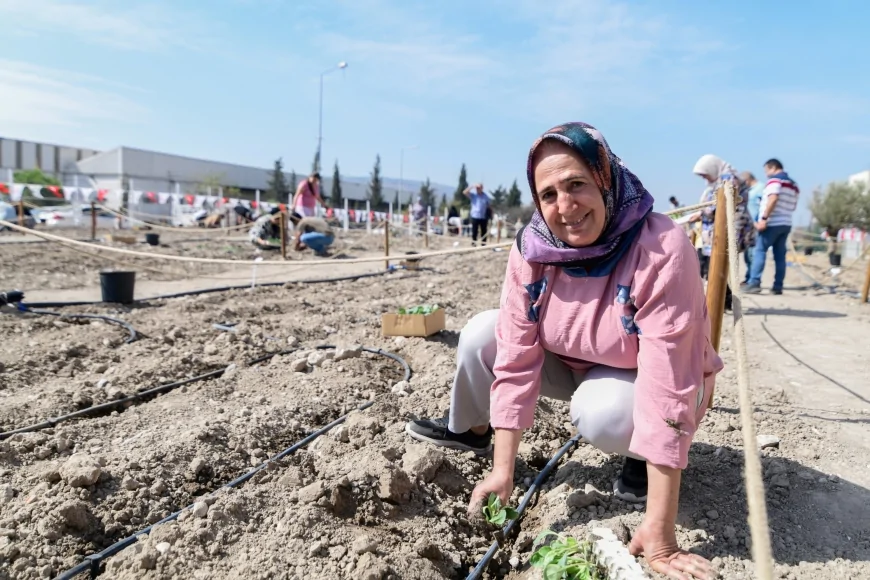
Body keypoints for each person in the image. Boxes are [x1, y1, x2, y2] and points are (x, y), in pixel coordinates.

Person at [406, 122, 722, 580]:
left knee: (604, 412)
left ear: (605, 179)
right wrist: (504, 470)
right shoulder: (534, 249)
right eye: (549, 194)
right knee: (481, 333)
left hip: (648, 377)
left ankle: (641, 463)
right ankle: (474, 431)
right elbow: (514, 356)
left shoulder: (660, 248)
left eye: (577, 185)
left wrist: (662, 534)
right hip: (574, 361)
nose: (565, 207)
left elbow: (668, 383)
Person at [688, 154, 756, 310]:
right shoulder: (723, 177)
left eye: (705, 174)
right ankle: (723, 301)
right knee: (718, 264)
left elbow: (722, 204)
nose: (705, 178)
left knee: (719, 263)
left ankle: (721, 302)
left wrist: (701, 213)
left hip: (730, 227)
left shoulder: (728, 178)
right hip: (723, 227)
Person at [745, 159, 799, 295]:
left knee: (760, 251)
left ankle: (754, 282)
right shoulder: (794, 184)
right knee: (780, 256)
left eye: (766, 171)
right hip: (786, 222)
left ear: (773, 167)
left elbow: (773, 198)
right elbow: (794, 205)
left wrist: (764, 218)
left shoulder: (775, 181)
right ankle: (778, 286)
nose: (766, 174)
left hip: (772, 223)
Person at [739, 172, 765, 284]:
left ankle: (754, 280)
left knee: (754, 254)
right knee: (748, 254)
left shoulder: (761, 188)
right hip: (748, 227)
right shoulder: (749, 191)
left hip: (757, 226)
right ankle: (749, 277)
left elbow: (765, 205)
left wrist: (761, 220)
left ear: (747, 181)